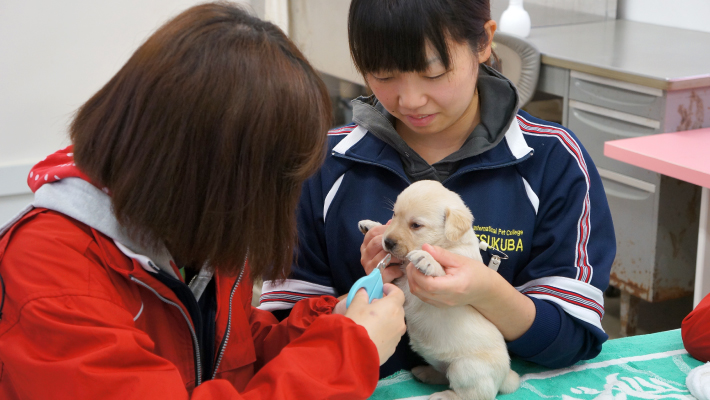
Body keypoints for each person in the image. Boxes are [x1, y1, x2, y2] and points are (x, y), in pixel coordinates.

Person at [0, 3, 407, 399]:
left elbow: (237, 352)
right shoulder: (51, 278)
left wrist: (332, 320)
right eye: (274, 182)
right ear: (210, 171)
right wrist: (348, 351)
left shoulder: (198, 230)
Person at [259, 0, 616, 377]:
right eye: (382, 74)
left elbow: (574, 337)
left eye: (433, 73)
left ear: (483, 43)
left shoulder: (552, 160)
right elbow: (278, 334)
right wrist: (365, 292)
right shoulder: (325, 163)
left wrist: (487, 293)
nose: (409, 100)